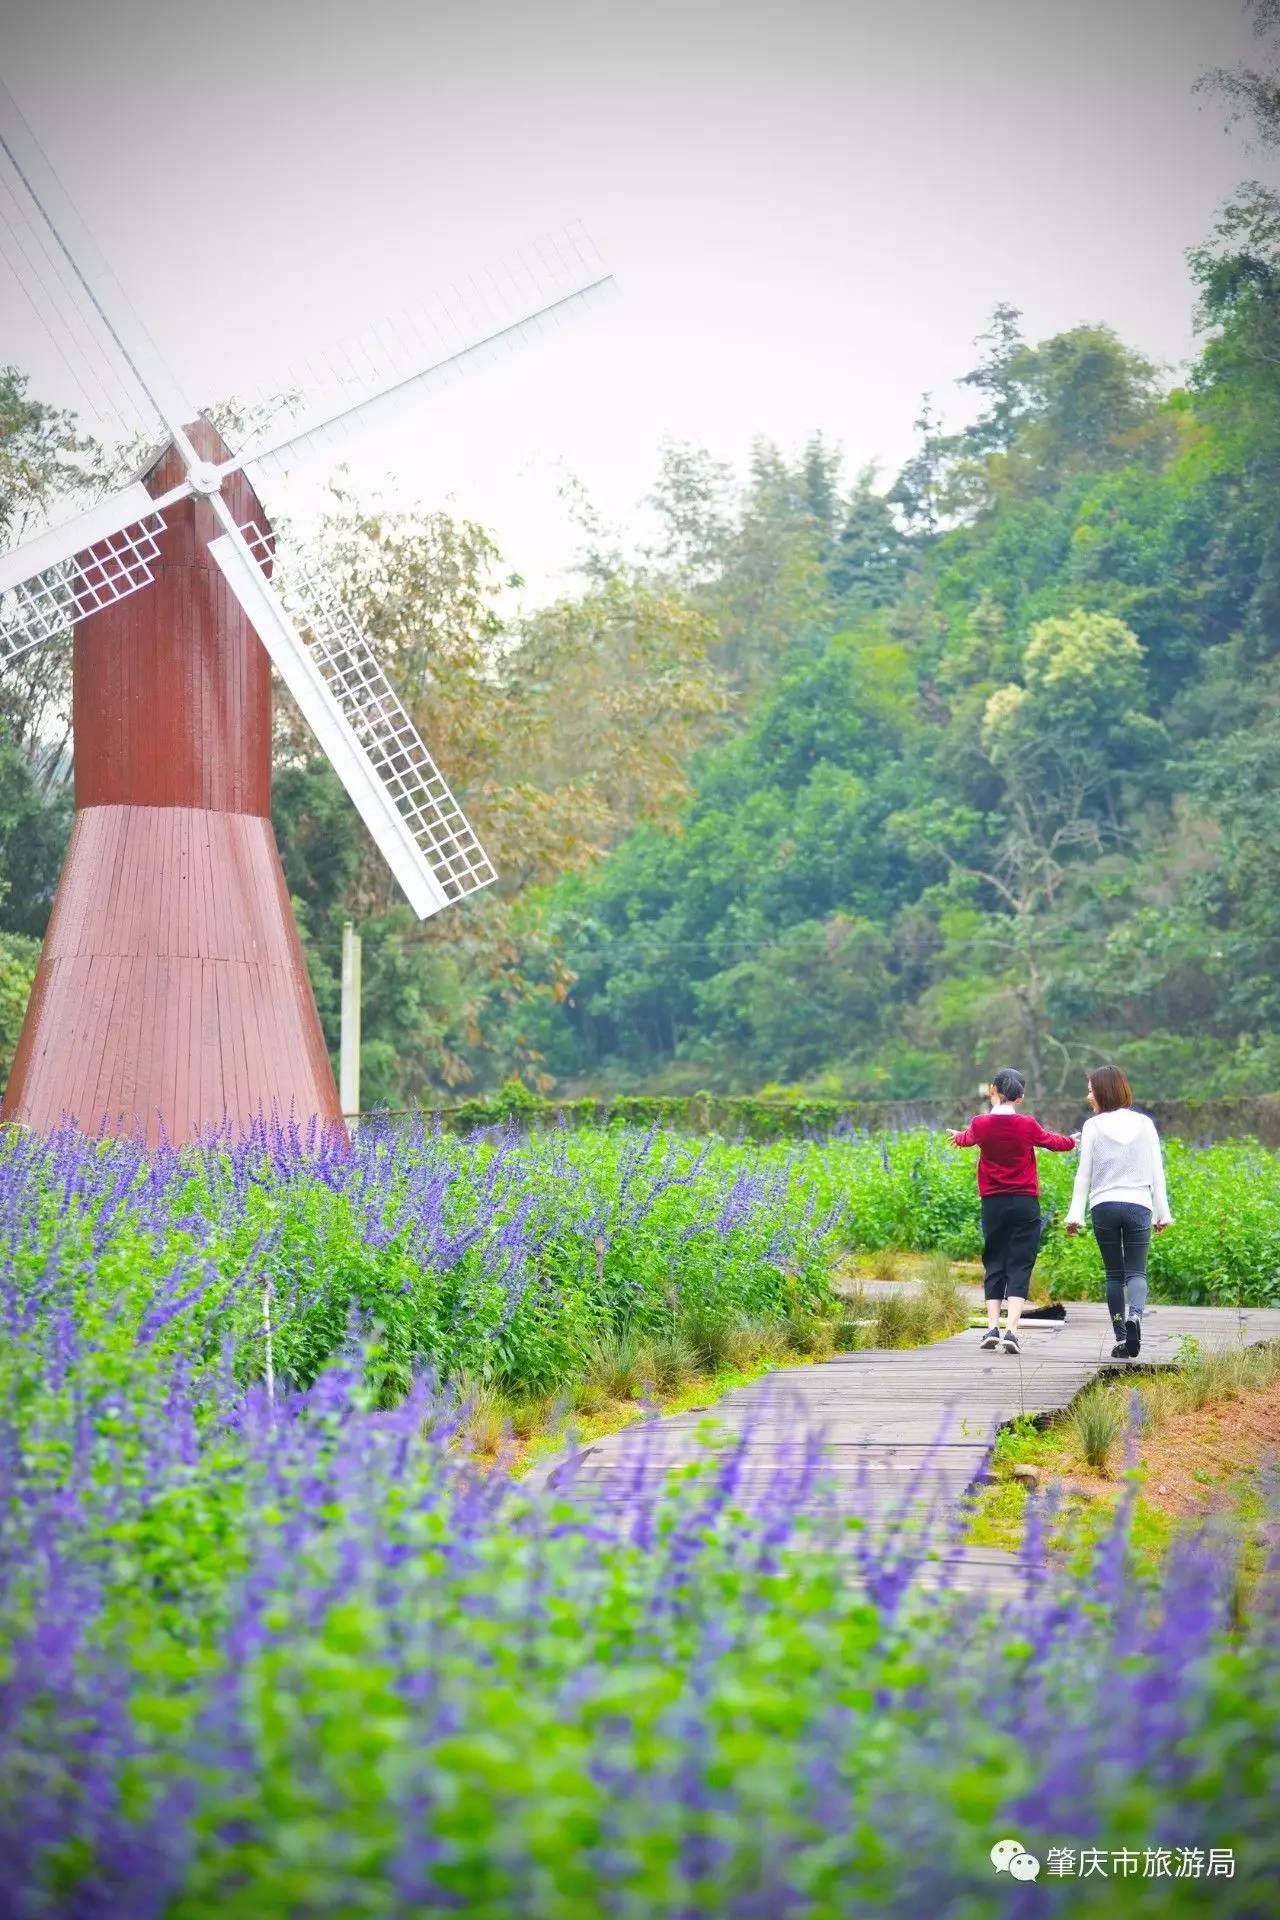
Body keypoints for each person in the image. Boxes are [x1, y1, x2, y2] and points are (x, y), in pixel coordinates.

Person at [948, 1068, 1077, 1355]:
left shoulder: (979, 1124)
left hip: (993, 1202)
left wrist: (957, 1137)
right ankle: (1011, 1332)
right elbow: (1053, 1143)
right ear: (1020, 1097)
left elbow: (967, 1138)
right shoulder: (1027, 1124)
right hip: (1024, 1202)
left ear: (992, 1090)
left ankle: (992, 1327)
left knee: (994, 1260)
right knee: (1020, 1262)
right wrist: (1073, 1140)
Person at [1065, 1064, 1171, 1360]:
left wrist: (1075, 1214)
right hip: (1139, 1204)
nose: (1088, 1095)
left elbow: (1083, 1175)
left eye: (1090, 1090)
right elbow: (1156, 1172)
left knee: (1114, 1274)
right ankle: (1135, 1315)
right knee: (1137, 1271)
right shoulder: (1144, 1124)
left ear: (1102, 1091)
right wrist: (1163, 1213)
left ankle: (1123, 1338)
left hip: (1104, 1206)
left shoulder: (1092, 1126)